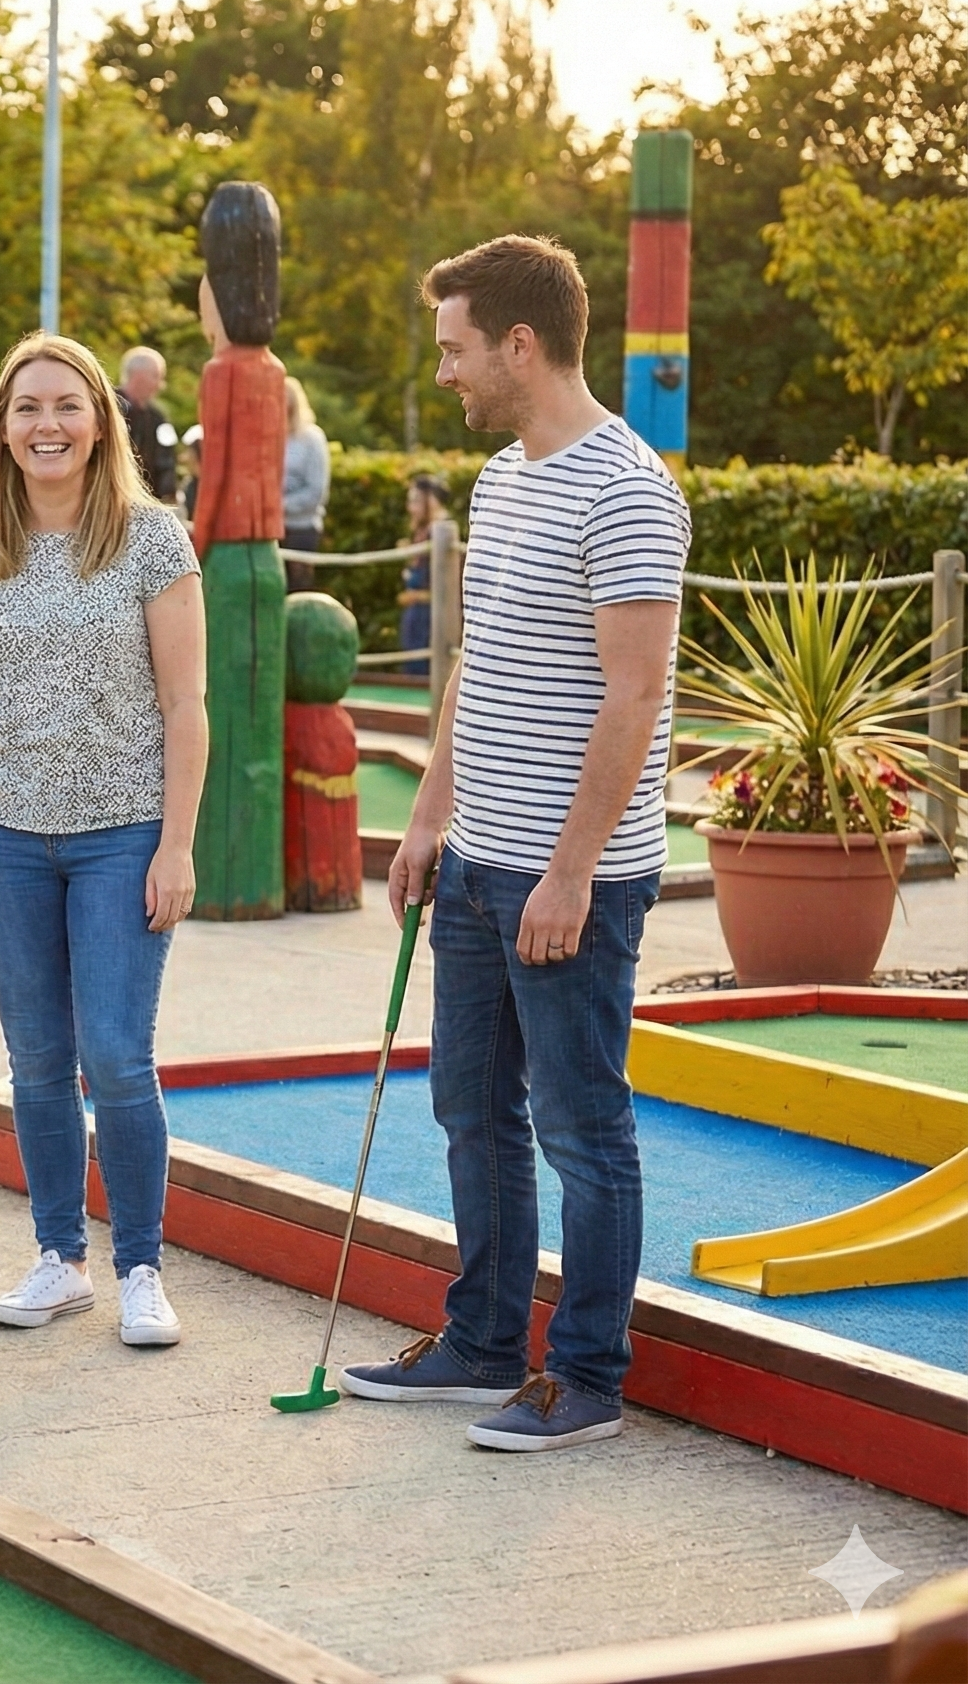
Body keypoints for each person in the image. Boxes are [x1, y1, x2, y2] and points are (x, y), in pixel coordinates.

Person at [341, 236, 688, 1451]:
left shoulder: (628, 490)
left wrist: (572, 869)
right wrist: (430, 813)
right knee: (469, 1110)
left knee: (580, 1128)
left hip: (567, 880)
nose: (443, 372)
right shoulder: (501, 482)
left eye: (452, 348)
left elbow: (634, 697)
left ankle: (582, 1378)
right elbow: (475, 665)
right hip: (479, 863)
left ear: (519, 345)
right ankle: (482, 1341)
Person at [0, 333, 209, 1347]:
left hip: (122, 833)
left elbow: (185, 703)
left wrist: (176, 844)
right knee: (35, 1056)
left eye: (65, 405)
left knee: (115, 1054)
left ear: (99, 421)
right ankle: (56, 1257)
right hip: (4, 834)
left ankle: (139, 1267)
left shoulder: (150, 539)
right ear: (1, 426)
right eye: (25, 407)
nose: (45, 424)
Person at [397, 474, 452, 675]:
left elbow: (449, 588)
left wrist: (418, 596)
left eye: (417, 501)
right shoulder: (420, 533)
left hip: (431, 619)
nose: (411, 508)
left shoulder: (442, 532)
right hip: (415, 617)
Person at [281, 377, 330, 588]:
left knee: (299, 588)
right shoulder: (270, 438)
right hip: (273, 530)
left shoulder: (312, 439)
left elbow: (316, 490)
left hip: (301, 528)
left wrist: (279, 506)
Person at [114, 345, 177, 504]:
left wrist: (166, 493)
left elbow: (167, 456)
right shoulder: (109, 408)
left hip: (146, 500)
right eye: (156, 376)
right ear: (138, 375)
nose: (160, 384)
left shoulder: (158, 418)